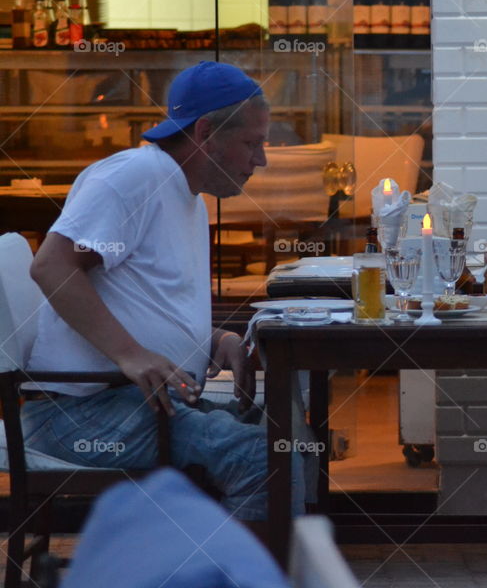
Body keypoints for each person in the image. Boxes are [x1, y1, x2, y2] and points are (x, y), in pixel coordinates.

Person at [23, 61, 304, 522]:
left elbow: (143, 298)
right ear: (206, 132)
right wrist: (129, 353)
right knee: (263, 458)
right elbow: (51, 266)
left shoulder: (184, 193)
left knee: (288, 434)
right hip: (83, 414)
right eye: (252, 144)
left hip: (135, 403)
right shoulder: (134, 176)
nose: (261, 160)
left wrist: (215, 339)